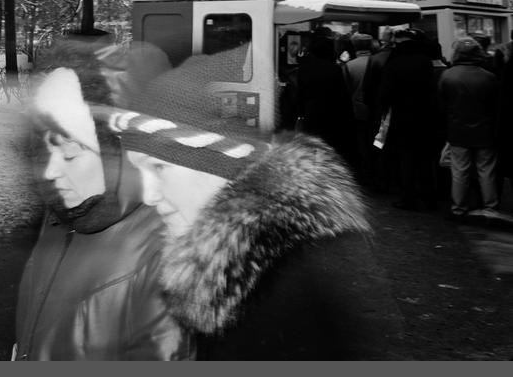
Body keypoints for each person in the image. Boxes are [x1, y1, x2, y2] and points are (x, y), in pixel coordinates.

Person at [118, 112, 388, 359]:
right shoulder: (231, 254)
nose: (148, 195)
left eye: (160, 168)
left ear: (214, 166)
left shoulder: (270, 282)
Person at [13, 67, 191, 360]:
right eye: (44, 150)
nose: (51, 171)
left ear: (120, 154)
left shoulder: (165, 255)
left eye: (70, 153)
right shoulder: (62, 218)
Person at [438, 37, 500, 220]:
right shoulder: (488, 76)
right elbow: (495, 107)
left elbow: (442, 106)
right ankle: (490, 207)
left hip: (458, 130)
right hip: (484, 131)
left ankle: (459, 207)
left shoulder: (448, 75)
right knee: (486, 170)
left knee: (459, 171)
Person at [379, 28, 437, 210]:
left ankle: (408, 196)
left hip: (401, 116)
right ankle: (428, 196)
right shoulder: (425, 61)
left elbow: (385, 93)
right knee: (424, 158)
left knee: (406, 158)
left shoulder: (394, 63)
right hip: (424, 115)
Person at [295, 35, 356, 165]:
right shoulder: (334, 69)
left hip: (311, 113)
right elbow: (342, 96)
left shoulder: (303, 68)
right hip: (331, 115)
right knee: (328, 147)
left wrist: (301, 113)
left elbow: (300, 94)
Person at [341, 32, 375, 185]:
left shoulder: (350, 66)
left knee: (362, 142)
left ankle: (365, 172)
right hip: (376, 110)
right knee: (376, 141)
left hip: (357, 110)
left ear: (354, 46)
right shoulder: (377, 62)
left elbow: (345, 90)